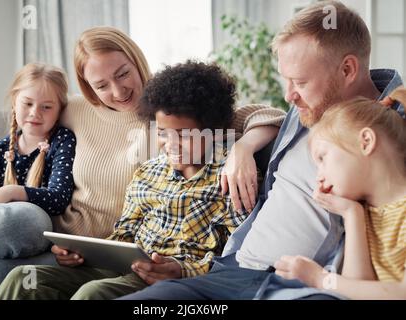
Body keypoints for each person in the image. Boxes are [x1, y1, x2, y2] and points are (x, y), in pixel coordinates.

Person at [0, 27, 284, 299]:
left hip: (121, 258)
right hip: (66, 240)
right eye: (100, 85)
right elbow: (26, 125)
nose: (117, 90)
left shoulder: (175, 107)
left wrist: (242, 148)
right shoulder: (77, 110)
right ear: (89, 88)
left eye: (123, 73)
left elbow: (264, 115)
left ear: (135, 59)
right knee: (17, 226)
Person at [119, 0, 405, 300]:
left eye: (300, 81)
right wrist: (244, 146)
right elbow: (219, 116)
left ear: (347, 69)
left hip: (303, 286)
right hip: (232, 272)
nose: (288, 94)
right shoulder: (305, 106)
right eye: (286, 79)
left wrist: (325, 281)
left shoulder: (392, 130)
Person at [274, 89, 406, 299]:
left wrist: (320, 279)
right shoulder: (365, 213)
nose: (318, 177)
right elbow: (358, 289)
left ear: (366, 142)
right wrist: (352, 215)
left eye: (322, 158)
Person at [0, 63, 76, 268]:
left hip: (30, 229)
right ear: (14, 102)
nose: (35, 113)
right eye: (27, 103)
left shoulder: (62, 141)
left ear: (60, 110)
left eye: (46, 107)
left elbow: (59, 199)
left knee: (17, 219)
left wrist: (14, 192)